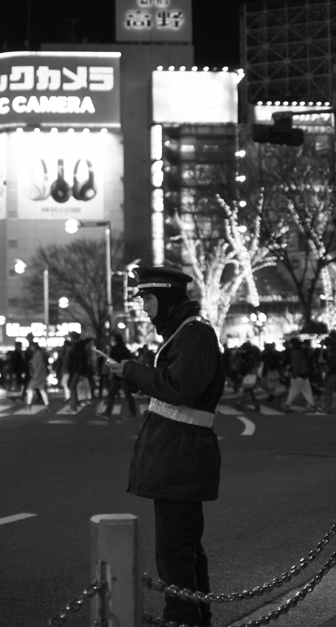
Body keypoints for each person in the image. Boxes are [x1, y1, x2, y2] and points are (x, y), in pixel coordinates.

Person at [105, 265, 222, 627]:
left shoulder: (195, 334)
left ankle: (184, 619)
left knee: (175, 553)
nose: (144, 307)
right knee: (183, 549)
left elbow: (179, 388)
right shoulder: (186, 333)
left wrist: (131, 371)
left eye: (149, 299)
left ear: (168, 299)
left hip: (181, 459)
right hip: (178, 457)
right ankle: (194, 617)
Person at [101, 333, 137, 418]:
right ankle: (133, 412)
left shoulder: (115, 349)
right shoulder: (124, 349)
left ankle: (108, 412)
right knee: (127, 394)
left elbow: (113, 362)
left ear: (115, 340)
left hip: (118, 375)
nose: (111, 341)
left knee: (112, 394)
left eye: (113, 339)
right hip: (124, 374)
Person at [25, 341, 51, 412]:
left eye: (31, 346)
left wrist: (36, 373)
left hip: (39, 375)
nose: (30, 348)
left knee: (30, 388)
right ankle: (47, 405)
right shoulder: (37, 353)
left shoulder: (38, 354)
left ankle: (29, 405)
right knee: (41, 390)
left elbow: (40, 365)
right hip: (40, 374)